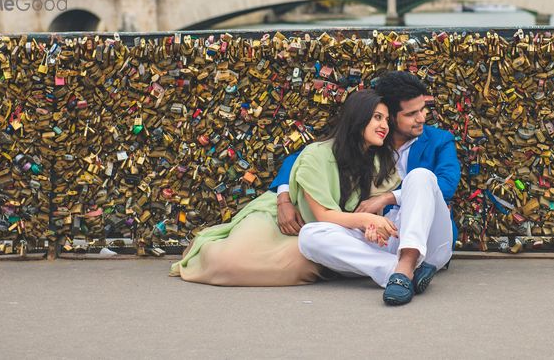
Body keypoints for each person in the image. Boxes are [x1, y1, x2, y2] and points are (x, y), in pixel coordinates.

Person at [169, 89, 400, 286]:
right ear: (357, 118)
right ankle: (204, 249)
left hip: (324, 233)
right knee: (228, 262)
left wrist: (372, 227)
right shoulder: (318, 155)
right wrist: (368, 222)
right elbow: (323, 214)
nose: (384, 125)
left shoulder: (381, 164)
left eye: (387, 120)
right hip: (286, 217)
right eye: (377, 117)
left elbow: (368, 217)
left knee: (300, 265)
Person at [294, 71, 461, 305]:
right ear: (391, 116)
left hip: (428, 237)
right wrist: (283, 193)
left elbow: (446, 186)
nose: (422, 118)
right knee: (310, 236)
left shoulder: (439, 140)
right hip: (385, 236)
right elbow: (307, 157)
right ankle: (399, 271)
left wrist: (387, 198)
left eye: (423, 110)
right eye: (412, 113)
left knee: (421, 176)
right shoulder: (371, 142)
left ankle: (405, 265)